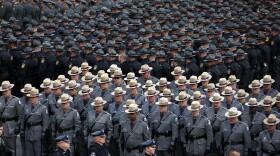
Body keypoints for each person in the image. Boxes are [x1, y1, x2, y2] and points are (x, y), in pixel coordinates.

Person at [22, 87, 49, 156]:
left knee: (38, 152)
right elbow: (23, 119)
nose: (32, 99)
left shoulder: (43, 108)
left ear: (38, 97)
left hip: (38, 132)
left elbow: (45, 122)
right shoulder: (26, 107)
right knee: (29, 153)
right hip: (28, 132)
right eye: (31, 97)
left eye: (34, 97)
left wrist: (44, 132)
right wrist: (22, 129)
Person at [0, 81, 23, 156]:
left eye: (6, 91)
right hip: (2, 126)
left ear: (10, 90)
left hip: (12, 126)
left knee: (12, 149)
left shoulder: (16, 100)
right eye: (3, 91)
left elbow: (21, 115)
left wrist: (18, 126)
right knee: (3, 148)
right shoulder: (0, 99)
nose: (5, 92)